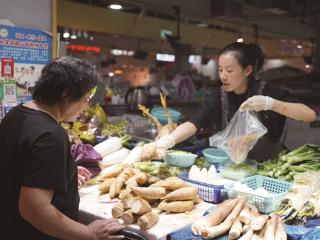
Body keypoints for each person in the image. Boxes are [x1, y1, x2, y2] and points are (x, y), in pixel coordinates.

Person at [0, 57, 125, 239]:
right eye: (86, 98)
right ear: (67, 94)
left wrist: (66, 171)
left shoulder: (17, 113)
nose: (86, 105)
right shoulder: (51, 135)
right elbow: (34, 209)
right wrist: (89, 233)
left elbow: (21, 166)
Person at [153, 42, 317, 161]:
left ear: (248, 70)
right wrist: (170, 140)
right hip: (233, 168)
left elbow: (309, 115)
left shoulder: (267, 91)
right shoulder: (218, 95)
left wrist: (271, 103)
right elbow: (196, 123)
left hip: (268, 168)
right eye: (220, 69)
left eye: (230, 70)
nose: (223, 76)